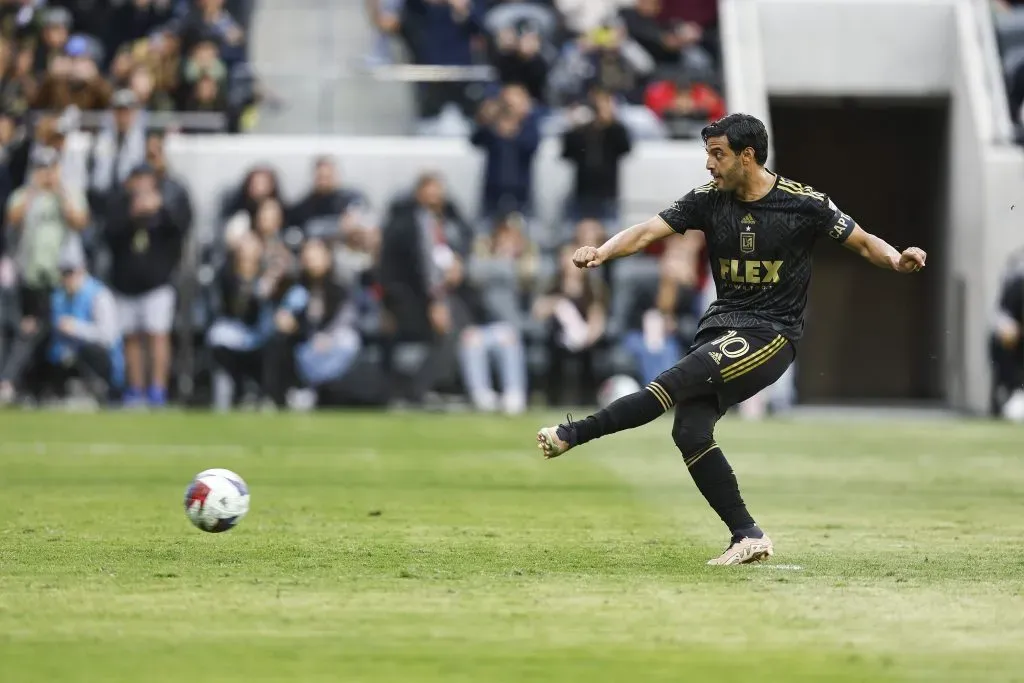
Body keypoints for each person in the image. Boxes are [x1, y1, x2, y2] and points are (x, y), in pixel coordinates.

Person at [535, 113, 928, 566]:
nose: (708, 164)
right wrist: (602, 251)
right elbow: (646, 231)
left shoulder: (803, 203)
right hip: (722, 326)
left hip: (770, 334)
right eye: (707, 153)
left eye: (717, 154)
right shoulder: (708, 200)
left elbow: (862, 242)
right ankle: (747, 535)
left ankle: (572, 434)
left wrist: (897, 259)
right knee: (689, 431)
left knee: (671, 383)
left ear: (748, 156)